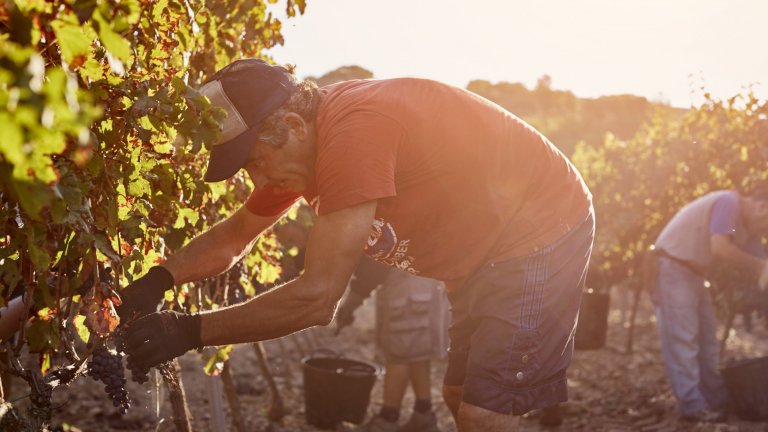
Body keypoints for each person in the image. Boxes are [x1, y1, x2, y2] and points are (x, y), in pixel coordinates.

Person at [118, 58, 594, 431]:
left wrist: (188, 332)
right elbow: (237, 234)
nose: (257, 180)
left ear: (294, 128)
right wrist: (159, 279)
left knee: (485, 415)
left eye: (256, 162)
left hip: (538, 233)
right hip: (481, 258)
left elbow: (318, 297)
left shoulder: (353, 136)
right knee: (459, 396)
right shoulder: (301, 147)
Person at [651, 187, 768, 422]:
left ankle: (717, 401)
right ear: (762, 206)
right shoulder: (728, 202)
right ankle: (693, 407)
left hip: (695, 273)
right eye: (766, 223)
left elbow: (764, 272)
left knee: (707, 342)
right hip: (673, 267)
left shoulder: (748, 229)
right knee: (683, 340)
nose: (765, 230)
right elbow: (721, 248)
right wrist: (759, 267)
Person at [336, 258, 450, 432]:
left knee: (398, 354)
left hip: (408, 288)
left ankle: (388, 419)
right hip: (425, 285)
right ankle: (423, 415)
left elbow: (371, 272)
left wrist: (350, 305)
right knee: (417, 351)